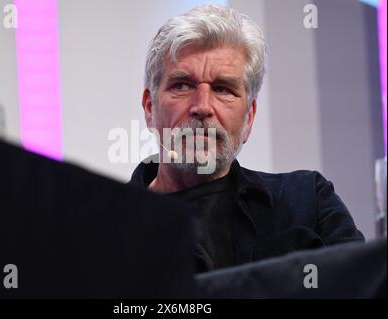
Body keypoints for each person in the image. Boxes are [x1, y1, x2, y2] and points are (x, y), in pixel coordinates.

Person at [129, 4, 364, 273]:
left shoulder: (309, 204)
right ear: (150, 107)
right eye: (182, 85)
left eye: (222, 89)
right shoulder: (101, 228)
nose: (202, 106)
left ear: (249, 117)